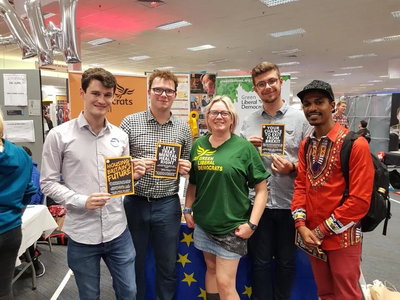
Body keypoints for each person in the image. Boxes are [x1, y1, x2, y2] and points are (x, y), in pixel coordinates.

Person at [40, 68, 146, 300]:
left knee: (129, 292)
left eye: (107, 95)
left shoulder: (120, 136)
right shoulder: (59, 136)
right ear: (83, 93)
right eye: (96, 93)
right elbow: (47, 183)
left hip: (118, 230)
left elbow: (121, 182)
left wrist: (132, 177)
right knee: (89, 295)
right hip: (82, 234)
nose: (101, 100)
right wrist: (82, 201)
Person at [292, 80, 374, 300]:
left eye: (319, 102)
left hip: (343, 237)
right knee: (325, 292)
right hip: (312, 236)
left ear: (332, 105)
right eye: (307, 104)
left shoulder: (356, 145)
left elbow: (359, 201)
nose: (312, 108)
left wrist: (320, 231)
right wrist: (301, 225)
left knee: (347, 294)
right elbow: (301, 185)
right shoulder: (306, 145)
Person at [184, 96, 269, 300]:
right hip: (204, 224)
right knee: (211, 271)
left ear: (232, 119)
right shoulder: (198, 145)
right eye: (214, 112)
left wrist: (252, 224)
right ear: (207, 117)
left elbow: (262, 190)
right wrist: (187, 210)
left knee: (225, 282)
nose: (219, 117)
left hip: (232, 227)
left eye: (224, 113)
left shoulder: (244, 148)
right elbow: (193, 182)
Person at [240, 62, 311, 300]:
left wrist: (292, 167)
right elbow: (238, 165)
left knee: (286, 263)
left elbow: (314, 165)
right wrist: (245, 151)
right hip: (257, 206)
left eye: (272, 81)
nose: (268, 87)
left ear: (280, 82)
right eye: (262, 84)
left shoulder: (301, 120)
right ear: (255, 89)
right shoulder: (247, 122)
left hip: (290, 205)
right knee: (259, 263)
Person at [120, 70, 192, 300]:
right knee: (134, 263)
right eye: (158, 89)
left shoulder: (183, 128)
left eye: (169, 90)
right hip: (135, 203)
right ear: (149, 91)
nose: (163, 94)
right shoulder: (130, 122)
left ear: (175, 94)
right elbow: (118, 166)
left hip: (168, 205)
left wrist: (186, 168)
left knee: (167, 266)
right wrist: (133, 170)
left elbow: (188, 162)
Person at [0, 109, 37, 300]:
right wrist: (16, 213)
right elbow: (29, 191)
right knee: (5, 290)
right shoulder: (21, 155)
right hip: (12, 231)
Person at [20, 146, 46, 277]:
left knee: (24, 229)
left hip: (31, 209)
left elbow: (33, 199)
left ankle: (33, 259)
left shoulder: (33, 173)